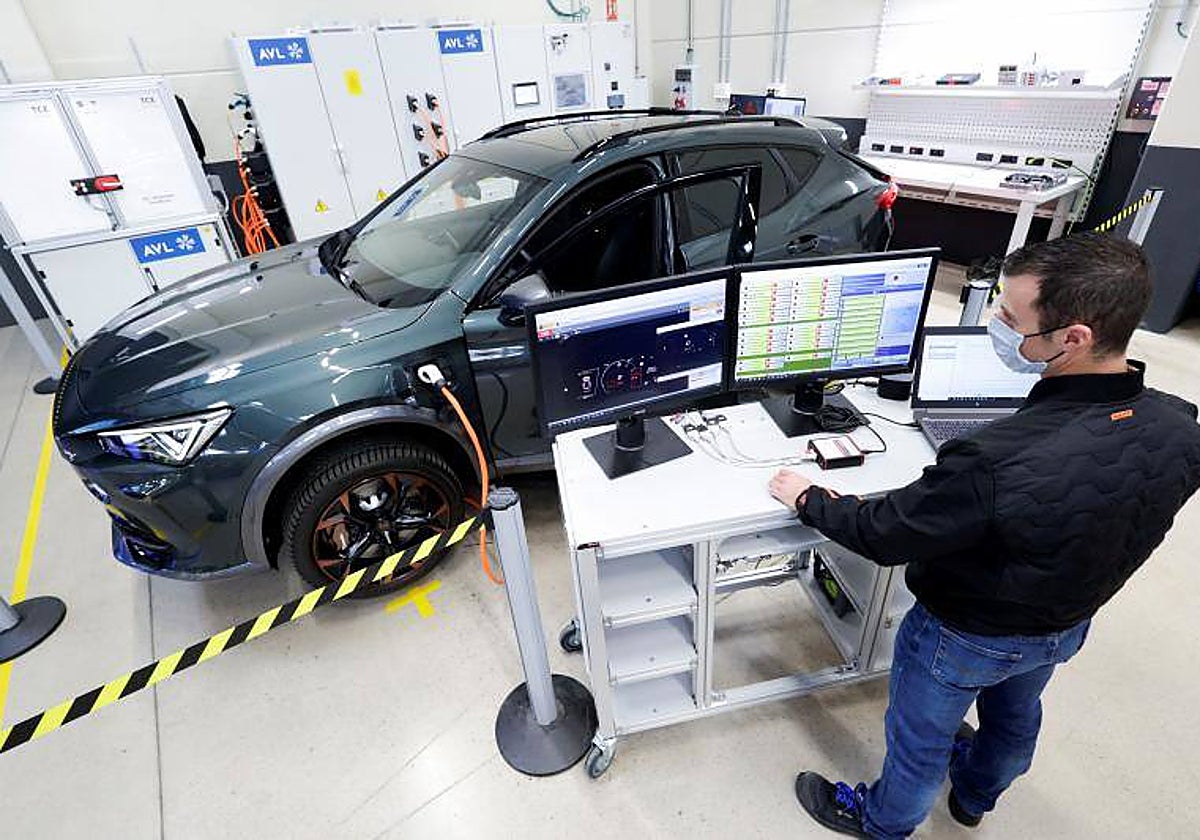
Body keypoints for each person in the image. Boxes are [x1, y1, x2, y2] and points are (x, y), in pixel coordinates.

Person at [768, 232, 1200, 839]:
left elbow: (885, 534)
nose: (994, 324)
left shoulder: (993, 459)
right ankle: (974, 796)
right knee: (1015, 716)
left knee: (919, 740)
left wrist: (811, 498)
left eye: (1010, 317)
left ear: (1073, 337)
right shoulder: (1180, 423)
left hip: (965, 634)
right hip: (1066, 623)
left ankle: (884, 822)